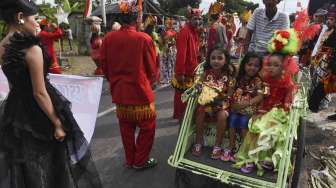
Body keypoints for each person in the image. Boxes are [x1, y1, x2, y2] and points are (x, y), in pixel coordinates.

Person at [0, 0, 102, 187]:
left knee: (25, 165)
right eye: (35, 18)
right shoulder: (32, 49)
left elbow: (12, 84)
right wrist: (57, 123)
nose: (38, 23)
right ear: (21, 17)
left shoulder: (2, 46)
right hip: (40, 113)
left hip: (15, 112)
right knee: (51, 164)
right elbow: (39, 92)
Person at [100, 0, 158, 170]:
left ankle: (130, 159)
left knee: (126, 130)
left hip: (120, 94)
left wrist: (114, 80)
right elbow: (151, 68)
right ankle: (140, 160)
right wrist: (150, 81)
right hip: (140, 93)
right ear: (137, 18)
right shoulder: (144, 38)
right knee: (147, 128)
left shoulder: (109, 38)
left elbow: (103, 64)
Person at [234, 28, 299, 175]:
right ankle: (251, 158)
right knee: (255, 128)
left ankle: (268, 158)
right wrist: (260, 110)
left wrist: (283, 109)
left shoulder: (288, 84)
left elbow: (287, 102)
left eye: (276, 65)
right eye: (269, 64)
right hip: (265, 110)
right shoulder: (266, 82)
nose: (271, 68)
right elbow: (264, 97)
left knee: (272, 129)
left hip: (279, 113)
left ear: (284, 67)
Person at [191, 48, 236, 159]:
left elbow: (230, 95)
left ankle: (217, 145)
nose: (216, 61)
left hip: (222, 104)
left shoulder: (229, 77)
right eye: (213, 58)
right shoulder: (206, 73)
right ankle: (199, 140)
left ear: (225, 60)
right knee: (200, 111)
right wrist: (198, 86)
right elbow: (199, 84)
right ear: (209, 60)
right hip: (207, 104)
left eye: (220, 58)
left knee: (222, 114)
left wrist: (222, 102)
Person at [223, 52, 264, 162]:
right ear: (244, 64)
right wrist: (231, 101)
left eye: (256, 66)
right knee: (232, 119)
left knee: (243, 122)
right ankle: (231, 147)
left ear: (260, 68)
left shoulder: (258, 81)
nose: (252, 68)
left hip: (248, 109)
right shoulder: (237, 78)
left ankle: (245, 150)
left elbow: (260, 97)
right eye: (249, 64)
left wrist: (246, 103)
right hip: (235, 107)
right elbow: (230, 92)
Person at [171, 6, 202, 121]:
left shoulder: (194, 32)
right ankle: (181, 118)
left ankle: (184, 117)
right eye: (195, 19)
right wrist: (180, 73)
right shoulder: (185, 32)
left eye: (199, 19)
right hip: (185, 71)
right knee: (182, 95)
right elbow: (181, 55)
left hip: (192, 70)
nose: (198, 21)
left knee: (186, 95)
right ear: (189, 19)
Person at [309, 7, 336, 119]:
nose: (329, 21)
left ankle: (313, 106)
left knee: (324, 85)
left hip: (332, 64)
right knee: (323, 85)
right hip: (329, 63)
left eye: (332, 19)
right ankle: (313, 106)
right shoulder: (328, 30)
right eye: (328, 18)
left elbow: (330, 46)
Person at [160, 17, 177, 85]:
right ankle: (168, 78)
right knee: (167, 64)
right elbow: (161, 41)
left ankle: (168, 78)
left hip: (169, 50)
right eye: (166, 23)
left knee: (168, 64)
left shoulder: (170, 32)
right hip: (167, 50)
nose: (167, 25)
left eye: (168, 23)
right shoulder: (168, 32)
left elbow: (173, 42)